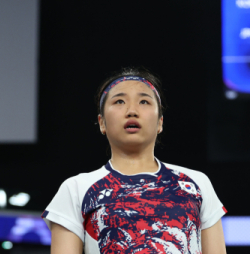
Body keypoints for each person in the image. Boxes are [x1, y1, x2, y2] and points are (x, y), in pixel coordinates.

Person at [42, 67, 227, 254]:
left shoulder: (196, 183)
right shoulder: (75, 189)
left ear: (160, 122)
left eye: (144, 101)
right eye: (119, 101)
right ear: (102, 123)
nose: (132, 111)